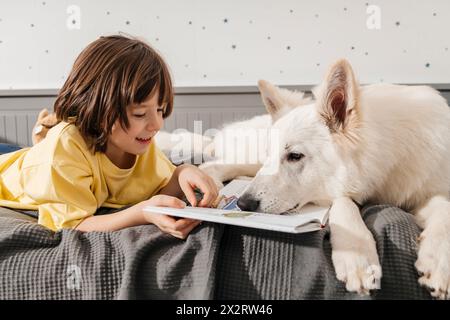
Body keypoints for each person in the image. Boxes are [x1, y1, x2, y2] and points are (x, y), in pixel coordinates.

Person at [0, 35, 218, 239]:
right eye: (140, 114)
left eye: (160, 110)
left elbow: (157, 191)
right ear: (98, 108)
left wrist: (182, 173)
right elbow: (71, 225)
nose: (156, 125)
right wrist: (141, 213)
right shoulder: (66, 146)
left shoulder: (140, 142)